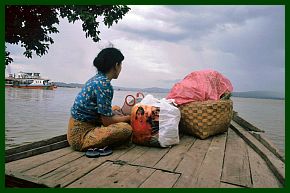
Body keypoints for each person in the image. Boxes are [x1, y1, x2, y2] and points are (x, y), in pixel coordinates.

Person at [67, 47, 132, 151]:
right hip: (80, 137)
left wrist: (117, 114)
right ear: (116, 65)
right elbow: (107, 122)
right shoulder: (104, 85)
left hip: (76, 128)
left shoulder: (97, 79)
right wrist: (130, 117)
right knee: (126, 129)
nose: (121, 68)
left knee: (115, 108)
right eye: (121, 64)